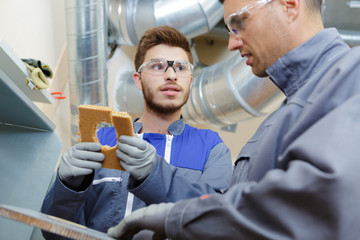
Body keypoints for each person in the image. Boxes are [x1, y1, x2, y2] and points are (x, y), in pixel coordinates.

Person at [107, 0, 360, 239]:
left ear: (289, 5)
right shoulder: (279, 119)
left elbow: (318, 206)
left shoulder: (352, 77)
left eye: (239, 23)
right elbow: (235, 205)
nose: (232, 44)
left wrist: (177, 217)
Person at [40, 25, 232, 239]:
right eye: (157, 66)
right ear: (138, 80)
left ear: (190, 79)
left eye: (181, 67)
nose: (171, 75)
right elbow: (54, 234)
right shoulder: (101, 141)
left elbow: (218, 225)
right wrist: (66, 188)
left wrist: (156, 175)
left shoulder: (211, 148)